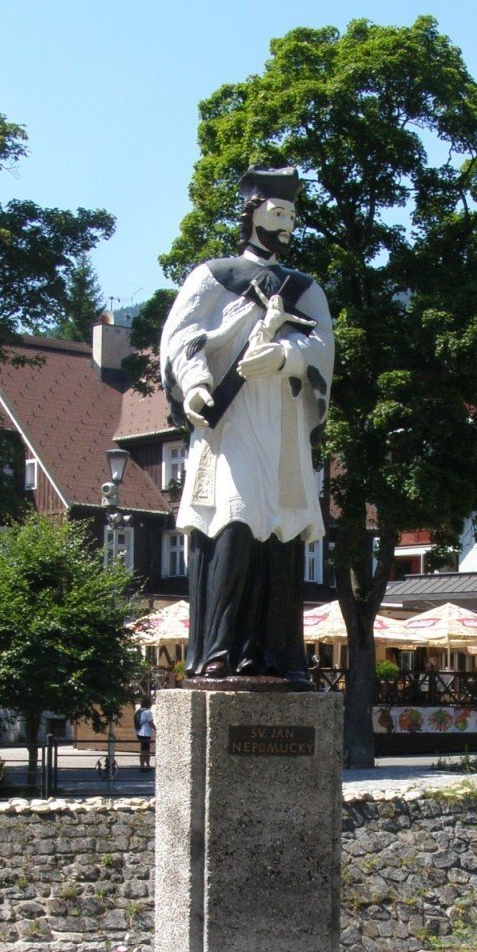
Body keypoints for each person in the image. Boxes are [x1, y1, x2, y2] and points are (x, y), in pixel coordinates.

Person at [159, 165, 335, 683]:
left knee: (280, 537)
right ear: (253, 211)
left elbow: (323, 349)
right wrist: (194, 383)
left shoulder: (305, 290)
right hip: (230, 429)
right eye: (277, 213)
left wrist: (284, 356)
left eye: (291, 217)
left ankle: (276, 656)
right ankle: (219, 651)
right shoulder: (213, 277)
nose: (285, 225)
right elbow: (181, 338)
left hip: (280, 428)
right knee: (232, 526)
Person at [134, 700, 155, 770]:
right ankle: (146, 766)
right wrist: (156, 729)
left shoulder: (138, 711)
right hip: (145, 733)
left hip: (138, 732)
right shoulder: (148, 712)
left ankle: (142, 765)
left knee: (143, 749)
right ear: (149, 704)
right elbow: (150, 723)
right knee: (146, 750)